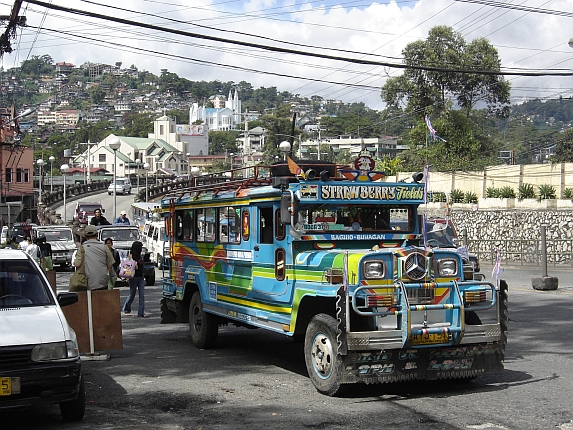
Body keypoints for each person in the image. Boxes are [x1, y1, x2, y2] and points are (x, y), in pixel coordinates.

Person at [74, 225, 114, 290]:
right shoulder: (104, 247)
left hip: (87, 281)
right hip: (103, 281)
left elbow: (77, 264)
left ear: (85, 235)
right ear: (97, 234)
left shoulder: (81, 248)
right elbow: (110, 265)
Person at [122, 240, 146, 317]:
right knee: (132, 294)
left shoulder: (140, 256)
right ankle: (126, 309)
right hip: (133, 277)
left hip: (141, 277)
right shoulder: (131, 256)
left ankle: (141, 312)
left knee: (142, 295)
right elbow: (130, 266)